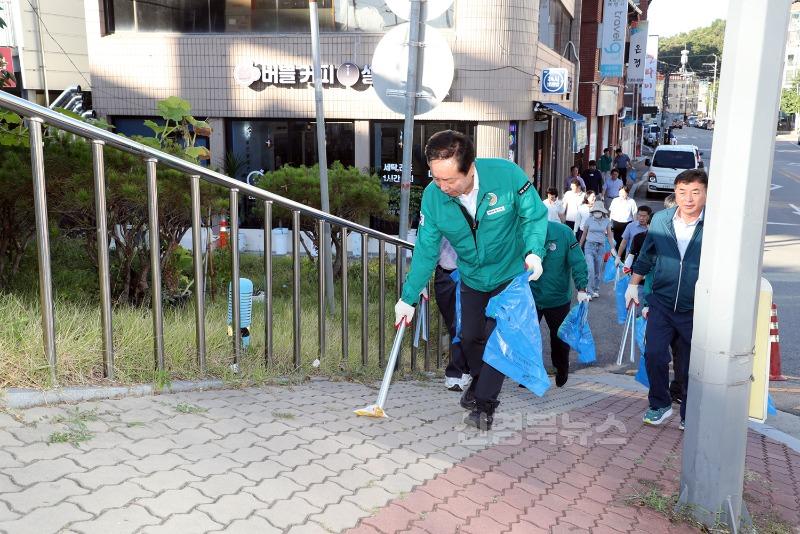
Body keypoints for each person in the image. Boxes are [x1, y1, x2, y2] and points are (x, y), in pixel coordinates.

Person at [394, 130, 549, 431]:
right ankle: (479, 384)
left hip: (509, 276)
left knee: (498, 340)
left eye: (449, 180)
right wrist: (408, 297)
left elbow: (533, 215)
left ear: (470, 168)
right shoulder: (434, 197)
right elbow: (426, 249)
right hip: (473, 278)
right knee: (469, 339)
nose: (442, 186)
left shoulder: (506, 176)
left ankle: (484, 406)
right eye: (436, 178)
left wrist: (534, 252)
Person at [625, 169, 707, 430]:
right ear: (675, 193)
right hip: (661, 300)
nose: (688, 199)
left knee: (689, 365)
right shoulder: (661, 220)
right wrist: (633, 285)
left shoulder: (715, 225)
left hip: (695, 307)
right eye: (682, 192)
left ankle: (688, 413)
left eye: (695, 192)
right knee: (653, 354)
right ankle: (660, 404)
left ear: (706, 194)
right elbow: (647, 255)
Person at [530, 221, 590, 387]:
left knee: (560, 338)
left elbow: (578, 261)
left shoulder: (563, 233)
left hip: (557, 297)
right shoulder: (522, 230)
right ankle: (529, 372)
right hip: (530, 296)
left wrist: (582, 288)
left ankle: (561, 368)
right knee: (527, 337)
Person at [433, 238, 471, 392]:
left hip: (471, 276)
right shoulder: (437, 220)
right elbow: (427, 245)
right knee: (452, 324)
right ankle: (466, 367)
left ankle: (456, 372)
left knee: (461, 324)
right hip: (445, 274)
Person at [579, 203, 618, 299]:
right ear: (593, 212)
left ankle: (595, 289)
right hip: (589, 246)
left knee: (598, 270)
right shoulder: (588, 220)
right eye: (595, 211)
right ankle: (589, 291)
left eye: (599, 211)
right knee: (590, 270)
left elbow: (610, 236)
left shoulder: (607, 221)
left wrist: (613, 249)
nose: (597, 213)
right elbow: (584, 234)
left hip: (601, 247)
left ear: (602, 212)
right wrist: (579, 246)